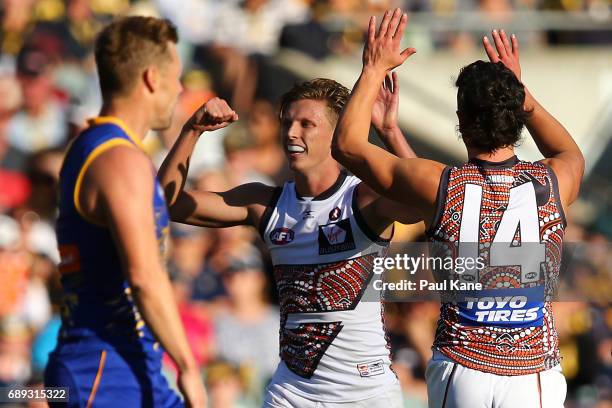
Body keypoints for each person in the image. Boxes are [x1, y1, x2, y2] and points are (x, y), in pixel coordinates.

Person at [332, 8, 584, 408]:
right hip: (532, 370)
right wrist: (523, 95)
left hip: (462, 365)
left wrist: (374, 68)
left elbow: (346, 145)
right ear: (517, 116)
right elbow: (568, 149)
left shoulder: (441, 183)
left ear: (460, 122)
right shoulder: (554, 180)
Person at [159, 76, 420, 406]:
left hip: (364, 393)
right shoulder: (264, 202)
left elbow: (424, 203)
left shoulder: (362, 198)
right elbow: (168, 202)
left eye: (307, 124)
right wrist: (191, 132)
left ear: (338, 136)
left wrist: (391, 134)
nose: (292, 133)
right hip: (292, 392)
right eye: (287, 122)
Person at [44, 16, 231, 407]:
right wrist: (189, 368)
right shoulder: (120, 160)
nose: (180, 90)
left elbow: (153, 209)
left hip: (120, 363)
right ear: (151, 78)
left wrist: (190, 132)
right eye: (176, 78)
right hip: (105, 371)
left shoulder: (98, 147)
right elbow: (145, 277)